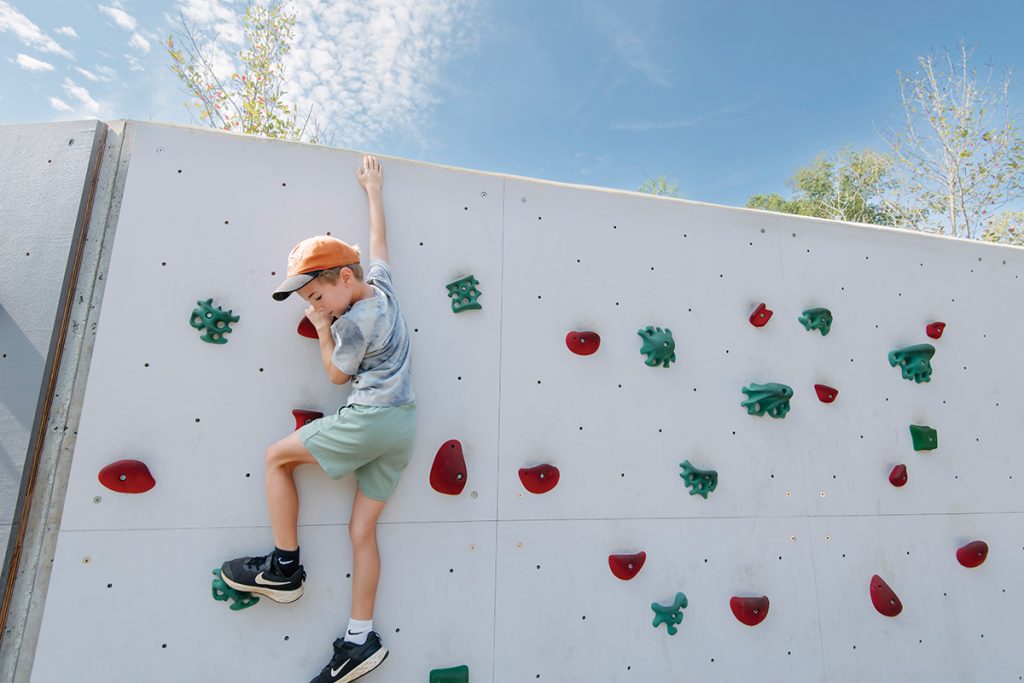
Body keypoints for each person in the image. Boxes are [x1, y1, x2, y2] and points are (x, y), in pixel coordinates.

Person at [220, 156, 416, 683]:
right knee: (361, 530)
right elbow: (379, 244)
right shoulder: (383, 288)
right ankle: (359, 639)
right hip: (402, 427)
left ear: (344, 278)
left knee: (275, 459)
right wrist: (373, 191)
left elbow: (334, 375)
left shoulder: (352, 322)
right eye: (311, 301)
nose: (317, 305)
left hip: (371, 418)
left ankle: (284, 569)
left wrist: (324, 329)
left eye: (316, 296)